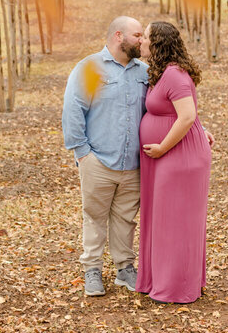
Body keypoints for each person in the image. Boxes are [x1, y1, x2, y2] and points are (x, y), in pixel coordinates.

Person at [62, 16, 148, 296]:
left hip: (133, 164)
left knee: (126, 219)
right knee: (95, 217)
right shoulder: (89, 68)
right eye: (137, 35)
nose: (142, 40)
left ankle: (125, 269)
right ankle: (92, 271)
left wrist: (199, 128)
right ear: (119, 36)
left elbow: (167, 106)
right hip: (97, 160)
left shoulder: (144, 72)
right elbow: (73, 109)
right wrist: (83, 153)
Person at [136, 21, 212, 304]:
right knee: (162, 219)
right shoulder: (160, 73)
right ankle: (158, 278)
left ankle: (177, 287)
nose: (141, 41)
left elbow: (187, 116)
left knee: (175, 221)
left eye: (145, 37)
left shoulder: (175, 75)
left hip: (178, 157)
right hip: (165, 155)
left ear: (157, 44)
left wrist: (163, 147)